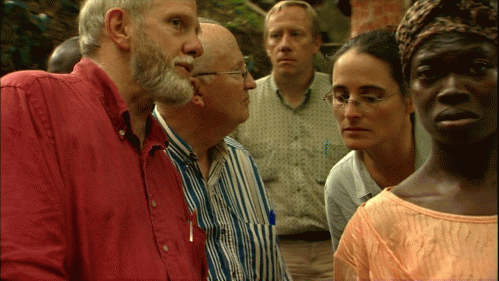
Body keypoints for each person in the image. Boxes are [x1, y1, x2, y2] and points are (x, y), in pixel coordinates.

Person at [1, 0, 208, 280]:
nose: (196, 46)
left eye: (195, 31)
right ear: (120, 28)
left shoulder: (164, 163)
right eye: (177, 24)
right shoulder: (30, 101)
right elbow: (21, 268)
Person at [333, 0, 497, 279]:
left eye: (476, 68)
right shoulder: (375, 227)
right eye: (428, 74)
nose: (451, 89)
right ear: (411, 91)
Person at [154, 19, 292, 281]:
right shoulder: (138, 168)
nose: (251, 83)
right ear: (195, 89)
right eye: (239, 72)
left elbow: (274, 271)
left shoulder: (240, 160)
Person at [232, 1, 349, 279]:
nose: (284, 44)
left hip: (338, 247)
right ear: (266, 44)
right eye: (276, 35)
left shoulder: (342, 99)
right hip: (272, 250)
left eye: (296, 34)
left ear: (316, 43)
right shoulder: (241, 103)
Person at [324, 29, 431, 254]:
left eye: (370, 98)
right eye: (341, 97)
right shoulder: (343, 184)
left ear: (410, 99)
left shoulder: (455, 159)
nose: (350, 112)